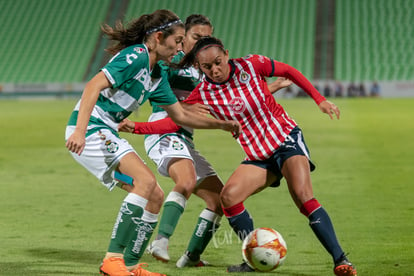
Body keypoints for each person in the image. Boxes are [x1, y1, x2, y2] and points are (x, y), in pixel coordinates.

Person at [120, 36, 357, 276]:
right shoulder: (204, 93)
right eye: (207, 67)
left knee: (303, 197)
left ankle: (341, 260)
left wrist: (320, 100)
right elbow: (175, 121)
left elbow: (289, 71)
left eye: (218, 62)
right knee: (229, 197)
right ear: (200, 68)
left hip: (285, 140)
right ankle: (253, 258)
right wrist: (136, 127)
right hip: (257, 155)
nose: (214, 70)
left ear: (227, 54)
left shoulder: (252, 65)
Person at [65, 12, 241, 276]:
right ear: (159, 38)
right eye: (179, 40)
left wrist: (222, 124)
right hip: (91, 128)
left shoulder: (157, 74)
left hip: (106, 131)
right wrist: (79, 131)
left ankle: (132, 264)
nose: (181, 48)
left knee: (156, 195)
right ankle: (112, 261)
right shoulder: (136, 55)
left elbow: (180, 116)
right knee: (145, 183)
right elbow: (92, 85)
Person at [119, 14, 292, 269]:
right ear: (182, 37)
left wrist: (272, 88)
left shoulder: (205, 68)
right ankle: (161, 241)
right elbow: (152, 74)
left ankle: (190, 258)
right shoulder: (172, 62)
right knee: (186, 180)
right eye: (195, 37)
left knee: (218, 199)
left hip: (184, 138)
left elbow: (233, 99)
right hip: (163, 132)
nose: (201, 42)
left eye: (206, 38)